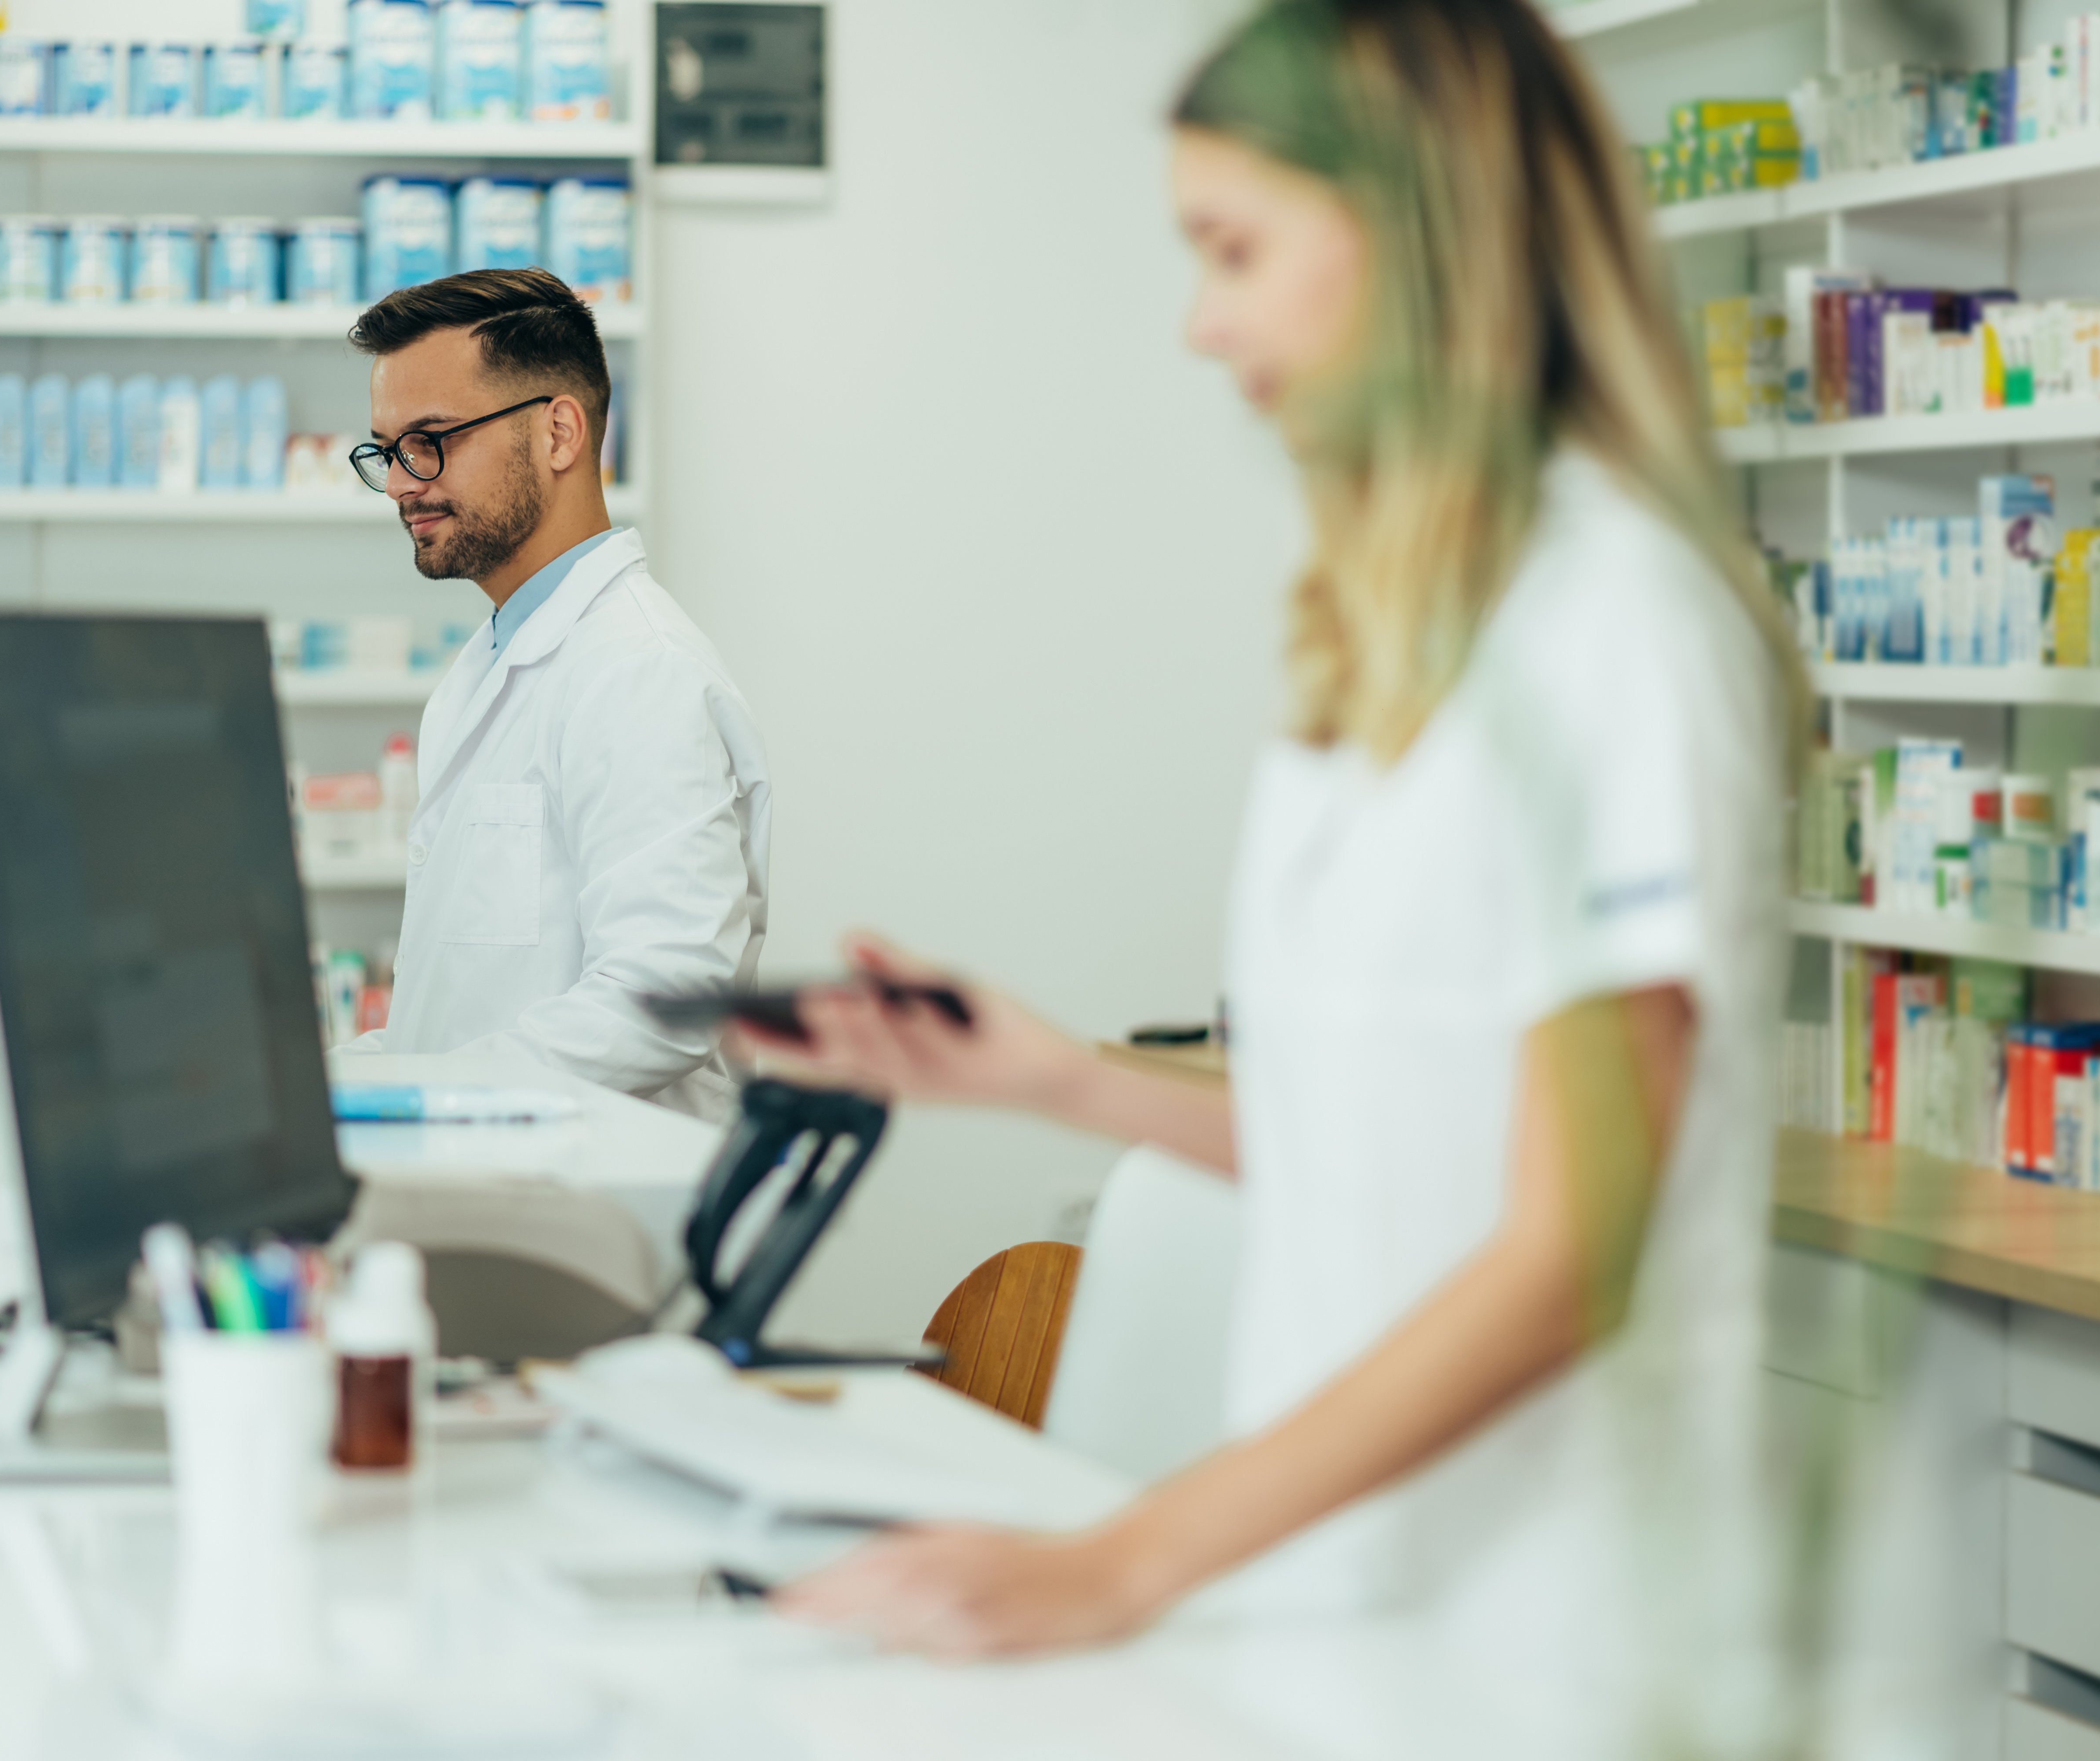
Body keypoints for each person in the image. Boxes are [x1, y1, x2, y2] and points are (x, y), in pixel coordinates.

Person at [750, 0, 1805, 1733]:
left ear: (1411, 222)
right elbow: (1398, 1145)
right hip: (1355, 1611)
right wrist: (1057, 1079)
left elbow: (1578, 1232)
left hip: (1556, 1644)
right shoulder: (1380, 634)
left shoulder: (1616, 625)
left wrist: (1124, 1556)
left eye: (1233, 247)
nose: (1201, 318)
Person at [341, 269, 771, 1119]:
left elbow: (664, 997)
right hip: (496, 1176)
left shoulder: (638, 670)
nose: (399, 483)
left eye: (430, 440)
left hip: (598, 1205)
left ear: (560, 432)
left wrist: (422, 1095)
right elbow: (452, 1013)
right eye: (386, 450)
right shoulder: (488, 669)